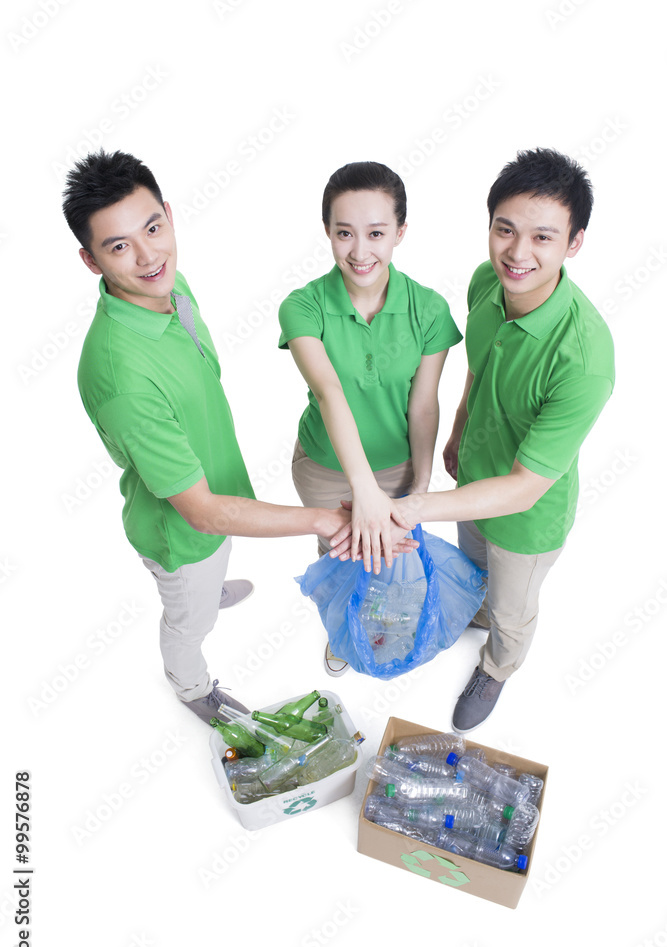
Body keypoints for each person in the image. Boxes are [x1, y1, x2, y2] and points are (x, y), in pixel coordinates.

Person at [63, 151, 413, 726]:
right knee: (188, 616)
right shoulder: (121, 373)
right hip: (184, 531)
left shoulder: (170, 290)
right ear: (91, 260)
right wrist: (328, 520)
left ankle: (210, 590)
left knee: (215, 560)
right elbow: (201, 513)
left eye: (153, 228)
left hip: (217, 494)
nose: (149, 255)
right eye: (119, 246)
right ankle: (190, 682)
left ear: (169, 216)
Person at [330, 148, 615, 732]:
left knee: (512, 609)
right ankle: (476, 612)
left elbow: (521, 489)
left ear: (574, 243)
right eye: (505, 229)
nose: (517, 253)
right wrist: (458, 429)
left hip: (526, 517)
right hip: (472, 478)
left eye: (543, 237)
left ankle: (498, 664)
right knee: (473, 565)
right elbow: (480, 369)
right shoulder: (489, 283)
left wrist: (413, 506)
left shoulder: (584, 360)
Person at [278, 161, 463, 675]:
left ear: (400, 232)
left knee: (391, 556)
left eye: (376, 233)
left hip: (400, 467)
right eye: (344, 234)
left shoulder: (428, 309)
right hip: (327, 467)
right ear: (328, 233)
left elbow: (423, 405)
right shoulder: (303, 306)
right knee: (341, 554)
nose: (360, 252)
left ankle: (384, 619)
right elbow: (329, 392)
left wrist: (419, 488)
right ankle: (344, 629)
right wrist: (363, 493)